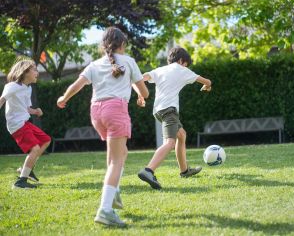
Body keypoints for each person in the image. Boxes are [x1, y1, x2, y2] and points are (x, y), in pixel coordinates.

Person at [57, 27, 149, 226]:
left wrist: (64, 98)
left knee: (119, 153)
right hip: (116, 110)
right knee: (117, 160)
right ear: (122, 44)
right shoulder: (129, 61)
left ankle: (113, 191)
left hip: (96, 113)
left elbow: (77, 85)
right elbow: (145, 92)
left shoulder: (95, 64)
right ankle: (105, 210)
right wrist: (141, 95)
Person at [137, 47, 212, 190]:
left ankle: (184, 171)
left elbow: (142, 78)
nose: (186, 67)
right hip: (169, 111)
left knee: (181, 135)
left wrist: (140, 94)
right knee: (170, 143)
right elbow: (207, 81)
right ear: (181, 61)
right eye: (186, 64)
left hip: (158, 111)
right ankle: (148, 170)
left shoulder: (160, 70)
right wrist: (206, 87)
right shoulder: (182, 70)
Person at [0, 58, 51, 189]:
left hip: (24, 122)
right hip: (16, 124)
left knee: (45, 140)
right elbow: (2, 99)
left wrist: (36, 111)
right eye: (34, 69)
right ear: (25, 71)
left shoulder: (28, 89)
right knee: (35, 149)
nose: (37, 72)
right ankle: (20, 182)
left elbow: (27, 108)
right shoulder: (12, 86)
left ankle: (26, 169)